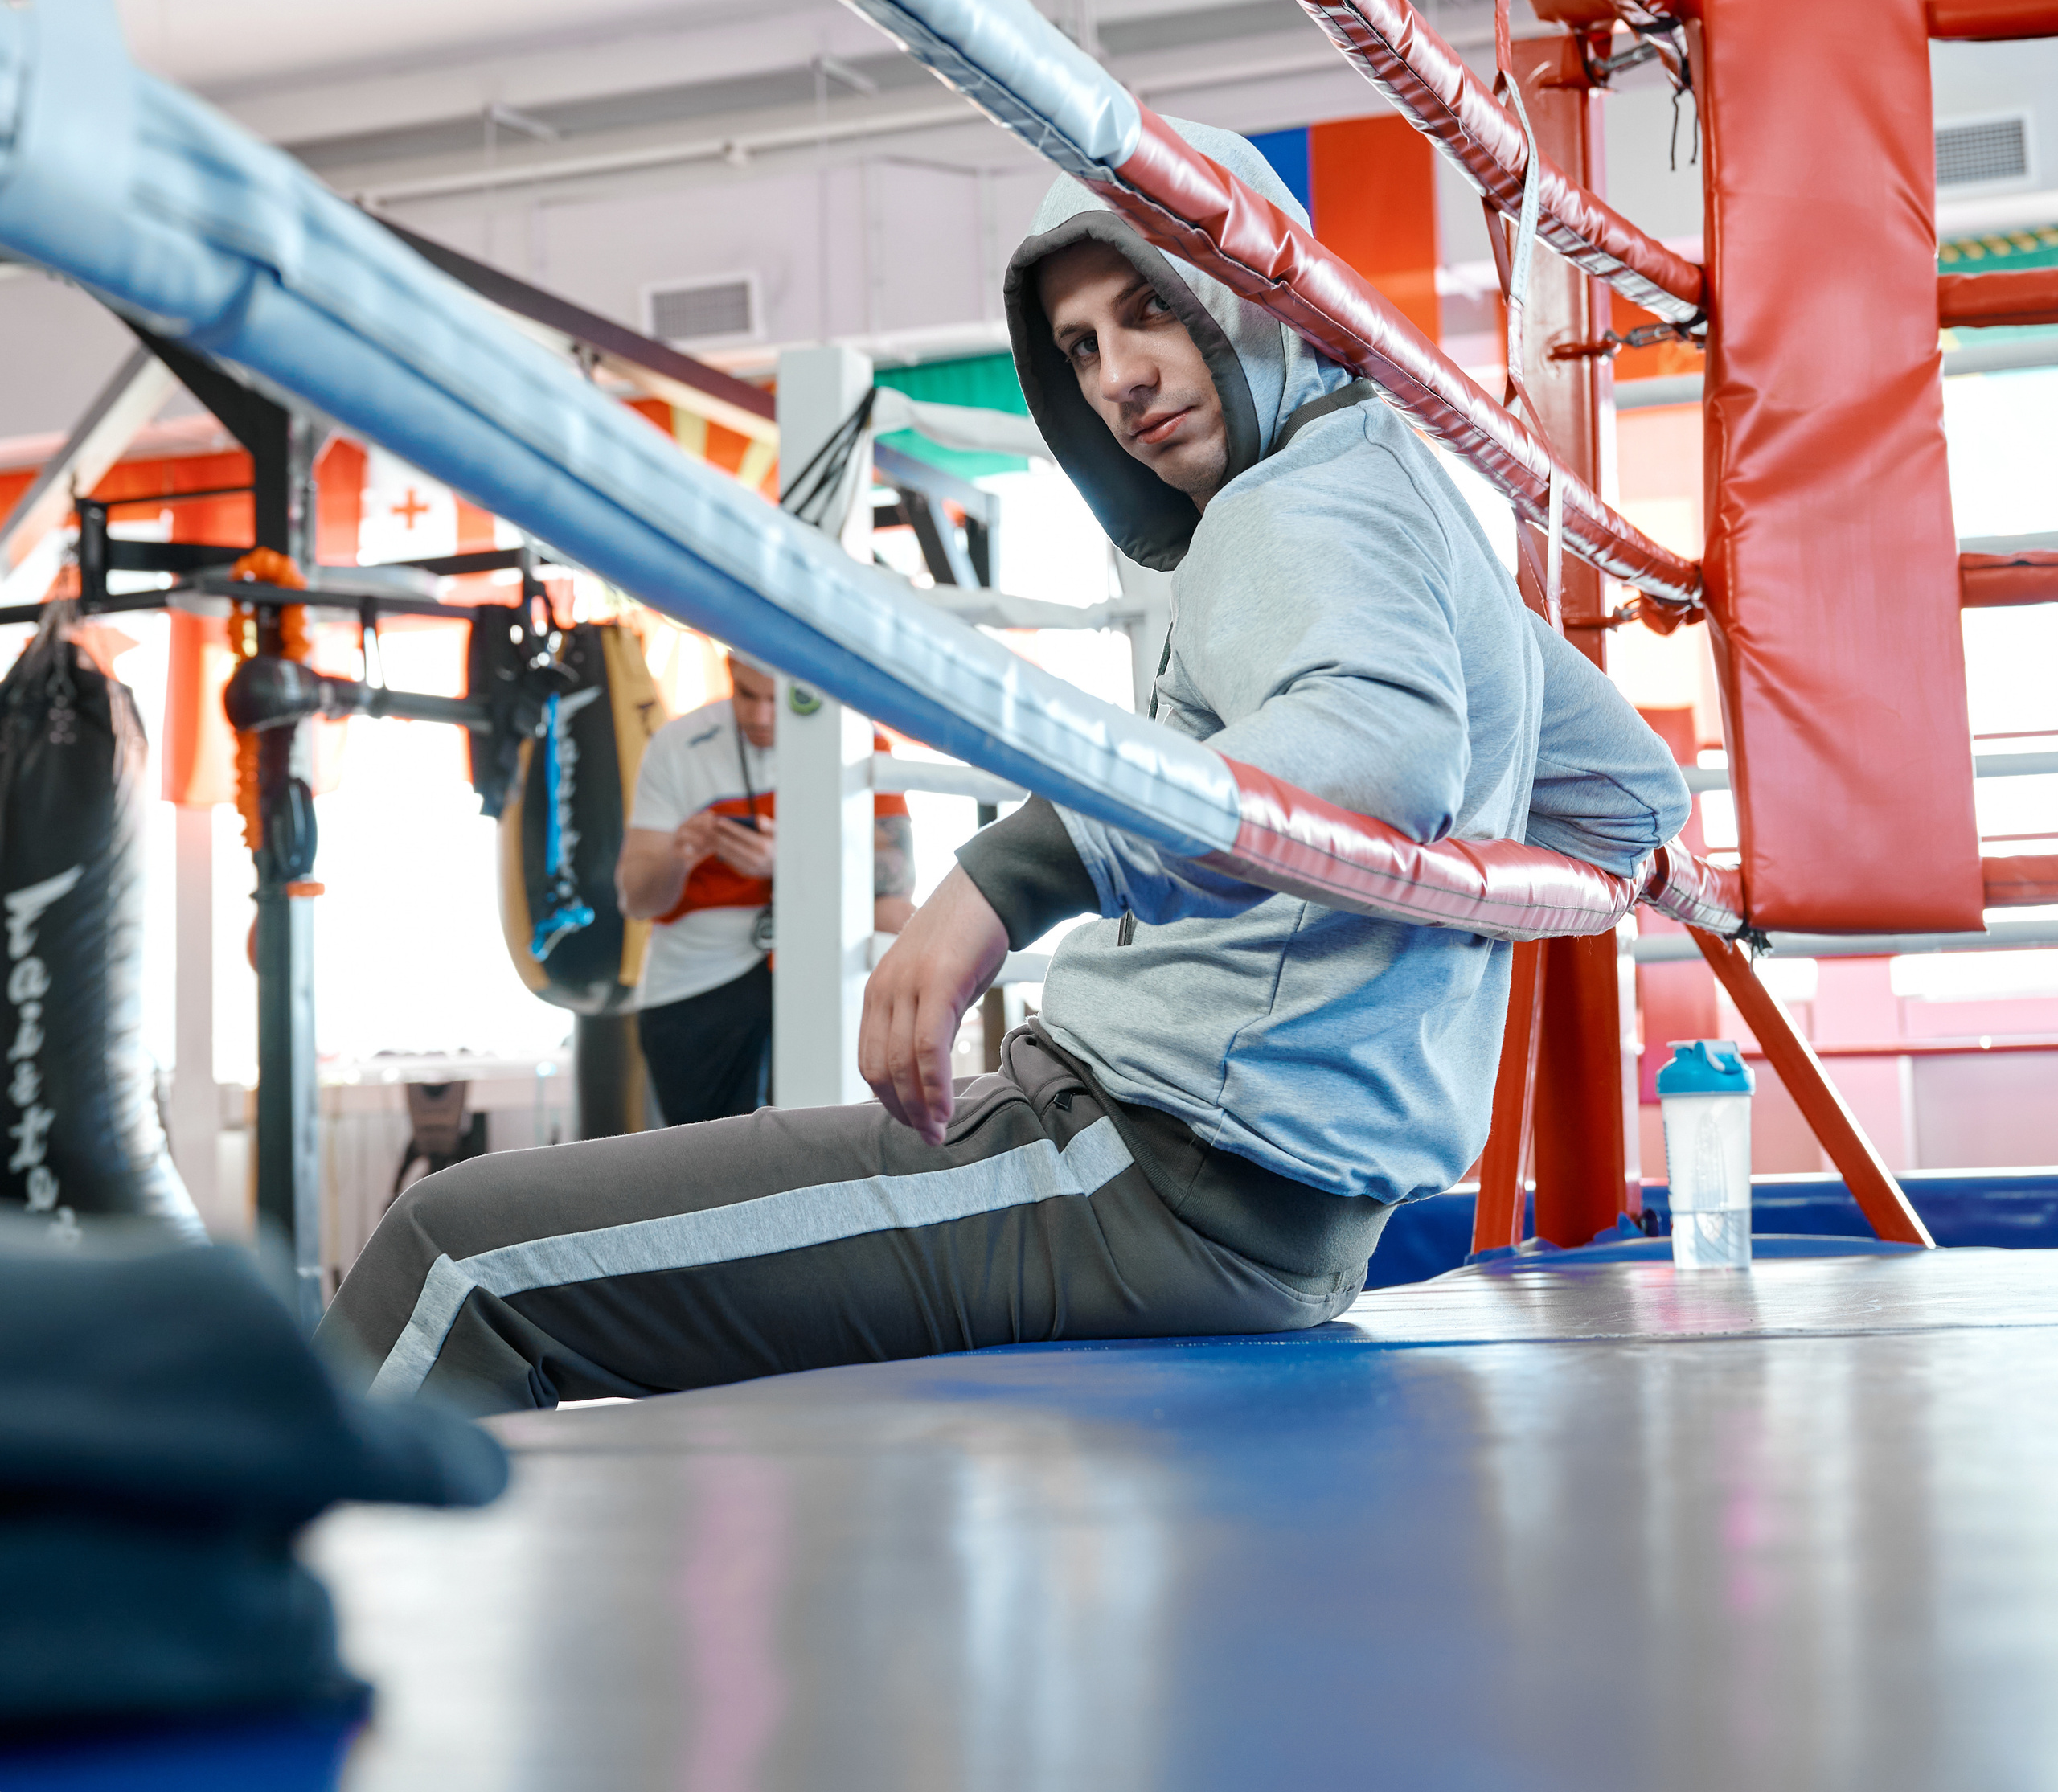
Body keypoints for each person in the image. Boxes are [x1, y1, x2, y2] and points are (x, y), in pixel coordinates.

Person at [318, 121, 1688, 1413]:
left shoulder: (1293, 508)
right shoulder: (1402, 500)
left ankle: (225, 1582)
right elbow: (1629, 799)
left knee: (455, 1254)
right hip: (1249, 1197)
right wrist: (1390, 979)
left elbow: (1382, 750)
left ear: (1248, 292)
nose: (1119, 377)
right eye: (1081, 346)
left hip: (1146, 1169)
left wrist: (1013, 873)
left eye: (1152, 310)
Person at [614, 649, 916, 1126]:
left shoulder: (858, 736)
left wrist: (790, 860)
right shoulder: (677, 744)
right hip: (697, 979)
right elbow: (635, 898)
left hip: (814, 958)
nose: (759, 716)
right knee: (709, 1159)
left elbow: (899, 875)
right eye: (747, 695)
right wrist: (678, 856)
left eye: (778, 701)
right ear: (730, 670)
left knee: (896, 919)